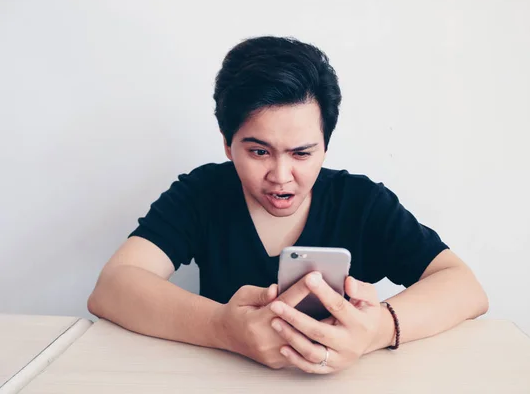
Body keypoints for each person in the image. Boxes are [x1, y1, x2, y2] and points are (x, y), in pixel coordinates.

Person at [87, 35, 488, 374]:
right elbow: (113, 287)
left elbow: (465, 287)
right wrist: (223, 328)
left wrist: (378, 330)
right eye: (259, 152)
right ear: (228, 144)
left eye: (301, 153)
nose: (281, 175)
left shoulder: (361, 202)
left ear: (325, 146)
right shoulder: (203, 193)